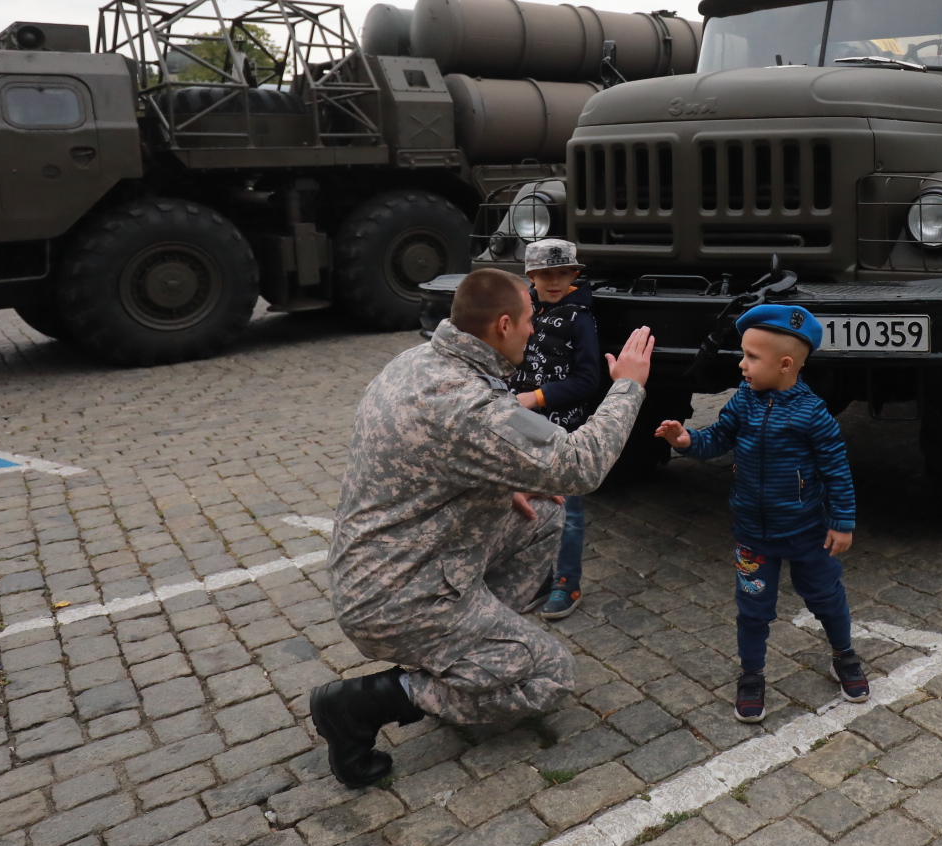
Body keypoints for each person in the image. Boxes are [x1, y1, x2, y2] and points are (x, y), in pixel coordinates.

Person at [312, 267, 654, 788]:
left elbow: (444, 456)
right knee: (549, 676)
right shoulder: (469, 405)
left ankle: (471, 646)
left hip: (398, 567)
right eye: (528, 320)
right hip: (398, 598)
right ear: (500, 325)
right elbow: (581, 465)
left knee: (543, 516)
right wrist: (627, 384)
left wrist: (500, 482)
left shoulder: (421, 361)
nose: (533, 330)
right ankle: (368, 703)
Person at [655, 304, 867, 723]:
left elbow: (836, 470)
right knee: (752, 609)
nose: (742, 364)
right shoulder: (742, 404)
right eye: (743, 354)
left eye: (752, 357)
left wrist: (842, 522)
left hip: (808, 532)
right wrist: (685, 440)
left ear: (785, 365)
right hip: (753, 534)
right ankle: (751, 674)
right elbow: (716, 439)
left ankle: (843, 654)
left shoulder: (813, 415)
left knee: (826, 597)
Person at [512, 239, 604, 620]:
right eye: (544, 274)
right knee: (527, 505)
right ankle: (539, 578)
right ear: (530, 276)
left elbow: (588, 380)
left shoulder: (580, 318)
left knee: (567, 509)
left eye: (561, 273)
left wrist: (537, 397)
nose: (553, 281)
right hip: (520, 428)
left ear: (573, 275)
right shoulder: (522, 312)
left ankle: (567, 581)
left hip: (561, 430)